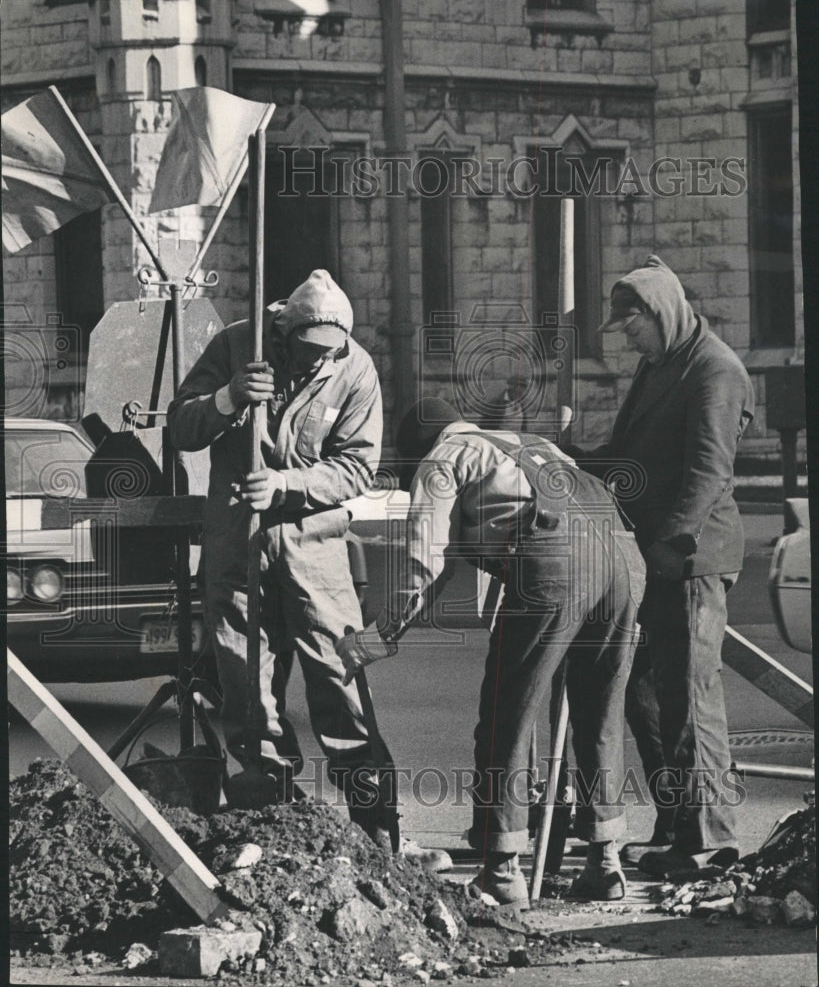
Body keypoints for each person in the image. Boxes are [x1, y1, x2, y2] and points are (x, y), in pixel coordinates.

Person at [337, 398, 646, 906]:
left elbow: (425, 563)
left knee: (509, 712)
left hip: (556, 561)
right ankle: (605, 862)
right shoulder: (530, 444)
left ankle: (503, 872)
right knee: (600, 715)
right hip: (621, 556)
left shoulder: (443, 460)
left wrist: (376, 639)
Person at [167, 269, 430, 858]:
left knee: (340, 682)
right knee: (247, 690)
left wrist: (286, 484)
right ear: (284, 333)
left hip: (316, 550)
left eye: (328, 355)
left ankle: (377, 830)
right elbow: (181, 426)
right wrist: (229, 398)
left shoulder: (355, 367)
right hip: (238, 548)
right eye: (308, 353)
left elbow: (358, 467)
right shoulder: (240, 343)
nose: (317, 365)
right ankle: (272, 827)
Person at [576, 255, 754, 875]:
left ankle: (711, 842)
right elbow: (626, 454)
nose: (627, 342)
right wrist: (569, 456)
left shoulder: (714, 371)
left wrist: (667, 548)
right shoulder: (663, 365)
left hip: (690, 561)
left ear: (661, 313)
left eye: (632, 329)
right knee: (646, 695)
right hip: (652, 558)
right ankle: (677, 824)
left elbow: (709, 474)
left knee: (690, 697)